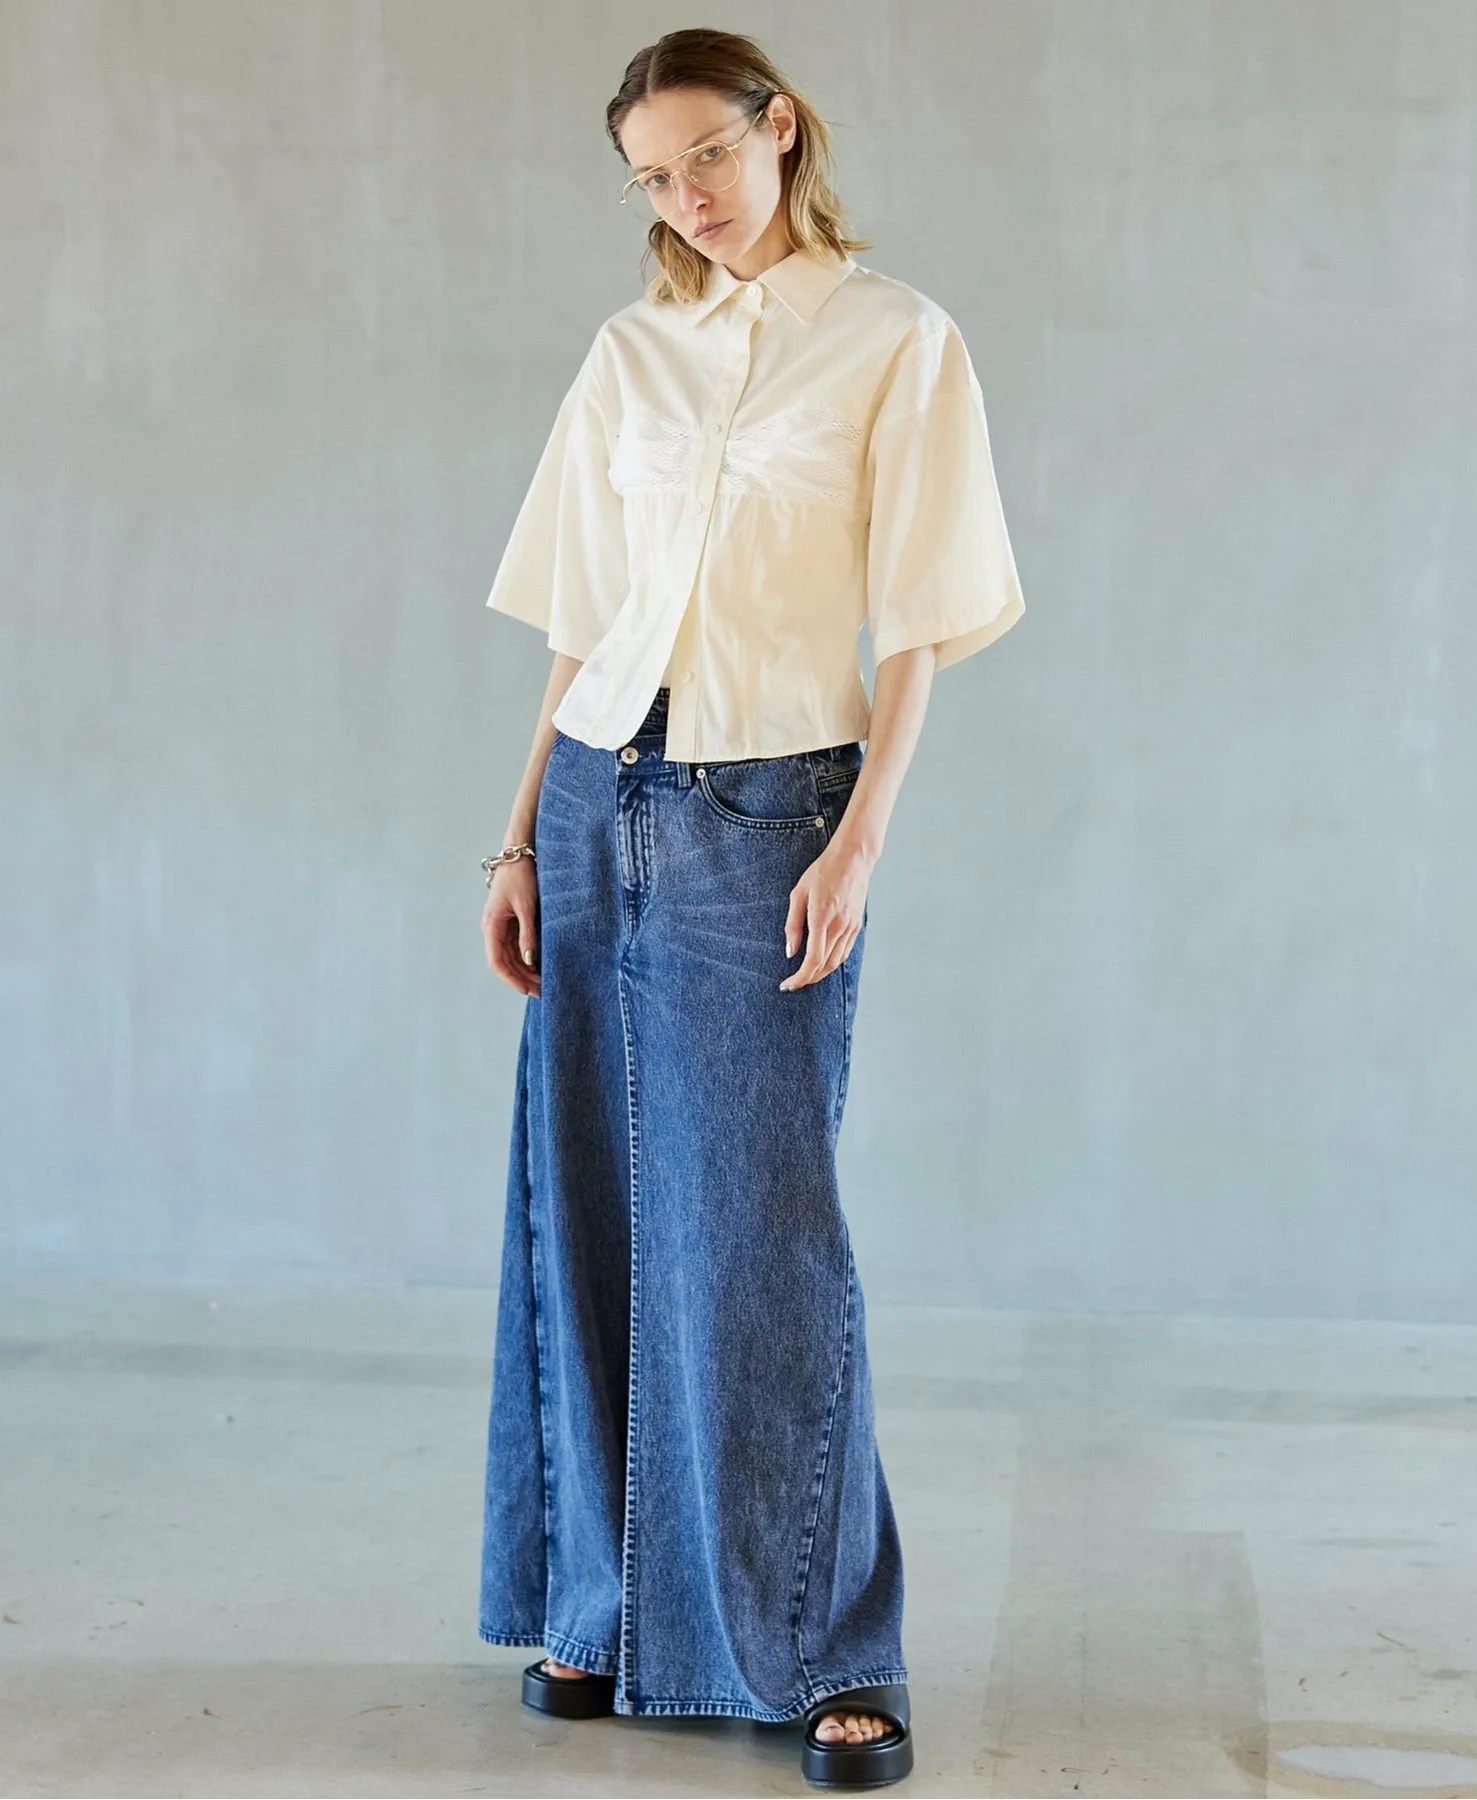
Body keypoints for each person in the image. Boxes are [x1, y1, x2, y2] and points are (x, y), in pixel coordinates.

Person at [475, 27, 1023, 1792]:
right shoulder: (629, 353)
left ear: (779, 127)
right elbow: (581, 622)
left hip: (767, 810)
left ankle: (833, 1648)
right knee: (585, 1203)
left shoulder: (898, 342)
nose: (687, 197)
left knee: (762, 1234)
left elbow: (919, 627)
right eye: (651, 177)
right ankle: (599, 1604)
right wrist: (512, 842)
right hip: (594, 800)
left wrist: (858, 844)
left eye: (707, 154)